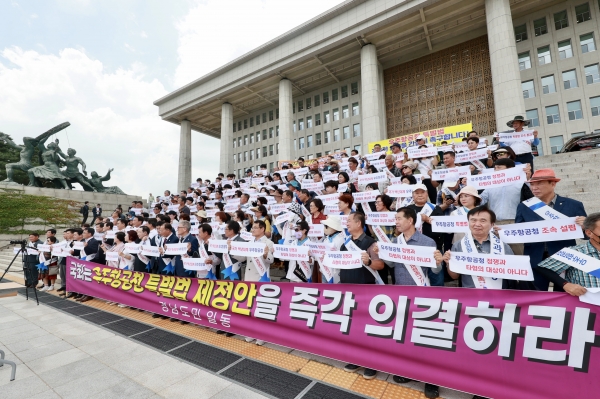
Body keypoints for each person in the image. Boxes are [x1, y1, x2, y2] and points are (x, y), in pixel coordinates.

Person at [373, 207, 442, 399]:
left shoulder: (427, 242)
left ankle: (431, 380)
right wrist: (383, 253)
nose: (396, 222)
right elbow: (393, 265)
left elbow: (436, 273)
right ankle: (410, 371)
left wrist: (438, 262)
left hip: (422, 295)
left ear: (410, 220)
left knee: (425, 339)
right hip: (401, 296)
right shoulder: (396, 241)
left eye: (398, 219)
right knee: (406, 336)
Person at [515, 168, 587, 291]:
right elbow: (518, 233)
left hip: (564, 259)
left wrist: (585, 226)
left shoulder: (573, 205)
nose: (534, 188)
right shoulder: (524, 206)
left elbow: (587, 236)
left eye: (539, 184)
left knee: (564, 296)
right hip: (535, 258)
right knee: (536, 295)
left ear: (553, 184)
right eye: (532, 184)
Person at [340, 213, 384, 379]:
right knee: (353, 327)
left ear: (359, 223)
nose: (347, 223)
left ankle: (371, 363)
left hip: (366, 291)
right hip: (347, 290)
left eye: (349, 221)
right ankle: (356, 359)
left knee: (367, 329)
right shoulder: (346, 243)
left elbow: (379, 264)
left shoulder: (370, 242)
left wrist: (368, 262)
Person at [443, 207, 516, 289]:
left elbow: (512, 274)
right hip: (470, 296)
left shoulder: (503, 246)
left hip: (498, 296)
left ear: (492, 224)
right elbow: (454, 276)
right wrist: (449, 263)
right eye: (473, 220)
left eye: (483, 221)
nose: (477, 224)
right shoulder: (458, 245)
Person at [536, 213, 600, 295]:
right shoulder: (574, 252)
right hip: (585, 304)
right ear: (589, 233)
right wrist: (565, 284)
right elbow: (543, 268)